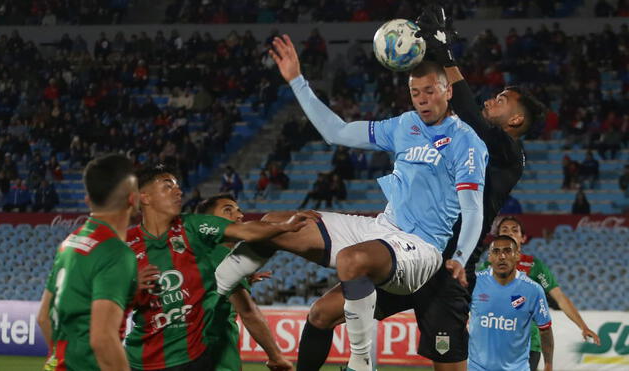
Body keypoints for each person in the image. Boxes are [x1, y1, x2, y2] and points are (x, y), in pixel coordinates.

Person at [287, 6, 548, 371]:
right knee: (321, 313)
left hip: (447, 270)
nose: (492, 100)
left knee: (446, 366)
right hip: (406, 249)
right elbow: (450, 109)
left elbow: (470, 112)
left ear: (516, 120)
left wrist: (444, 53)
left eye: (502, 100)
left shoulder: (508, 154)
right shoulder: (453, 133)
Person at [215, 34, 488, 371]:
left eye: (430, 91)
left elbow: (474, 208)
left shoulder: (467, 142)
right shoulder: (404, 125)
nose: (421, 100)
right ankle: (214, 291)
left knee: (351, 259)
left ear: (448, 91)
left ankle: (361, 363)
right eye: (415, 93)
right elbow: (338, 132)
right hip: (383, 229)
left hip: (422, 248)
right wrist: (297, 81)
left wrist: (460, 256)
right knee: (277, 223)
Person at [124, 165, 307, 371]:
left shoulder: (192, 227)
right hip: (141, 360)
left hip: (194, 357)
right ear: (145, 197)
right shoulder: (125, 245)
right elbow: (106, 303)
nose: (178, 191)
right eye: (168, 187)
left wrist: (283, 226)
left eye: (177, 186)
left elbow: (244, 230)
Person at [36, 154, 140, 370]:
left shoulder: (70, 243)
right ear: (133, 199)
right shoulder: (116, 253)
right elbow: (102, 339)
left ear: (88, 200)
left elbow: (43, 318)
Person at [480, 216, 601, 370]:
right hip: (493, 344)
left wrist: (583, 326)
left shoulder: (534, 266)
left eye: (514, 230)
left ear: (522, 238)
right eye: (504, 230)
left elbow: (560, 298)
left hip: (528, 345)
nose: (509, 233)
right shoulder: (485, 268)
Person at [198, 194, 279, 371]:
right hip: (216, 355)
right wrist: (276, 357)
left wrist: (243, 279)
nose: (239, 215)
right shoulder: (219, 254)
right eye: (228, 211)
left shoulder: (203, 254)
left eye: (239, 210)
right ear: (208, 222)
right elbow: (248, 312)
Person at [470, 235, 553, 371]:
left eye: (507, 251)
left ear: (517, 256)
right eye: (496, 252)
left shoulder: (533, 290)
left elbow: (545, 330)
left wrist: (548, 365)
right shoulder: (475, 283)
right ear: (490, 257)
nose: (502, 256)